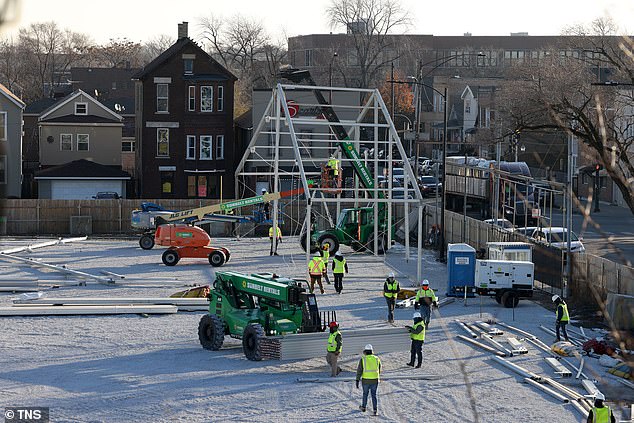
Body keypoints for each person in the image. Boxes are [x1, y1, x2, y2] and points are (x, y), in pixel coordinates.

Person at [355, 344, 381, 416]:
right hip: (375, 380)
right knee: (374, 395)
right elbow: (379, 369)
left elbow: (359, 370)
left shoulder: (363, 359)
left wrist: (357, 380)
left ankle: (363, 407)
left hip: (366, 380)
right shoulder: (377, 358)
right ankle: (375, 410)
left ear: (365, 351)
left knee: (365, 394)